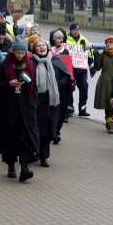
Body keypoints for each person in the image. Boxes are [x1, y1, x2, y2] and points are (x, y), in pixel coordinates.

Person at [0, 35, 40, 181]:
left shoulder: (30, 65)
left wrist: (34, 103)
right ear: (13, 51)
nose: (20, 56)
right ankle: (10, 165)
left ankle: (25, 167)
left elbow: (34, 86)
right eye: (18, 53)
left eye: (23, 53)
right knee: (9, 138)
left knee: (24, 137)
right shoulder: (3, 65)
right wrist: (9, 84)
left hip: (25, 109)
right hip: (8, 108)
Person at [30, 39, 70, 167]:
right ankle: (38, 154)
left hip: (52, 100)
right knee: (37, 128)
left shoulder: (55, 60)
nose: (41, 47)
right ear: (34, 49)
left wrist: (58, 85)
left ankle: (44, 155)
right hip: (36, 100)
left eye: (43, 45)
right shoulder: (31, 62)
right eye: (38, 46)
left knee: (49, 128)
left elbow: (66, 75)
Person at [93, 36, 113, 134]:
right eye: (107, 42)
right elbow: (97, 67)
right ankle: (109, 123)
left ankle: (111, 115)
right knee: (108, 103)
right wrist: (96, 56)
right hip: (105, 81)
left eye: (111, 42)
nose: (108, 44)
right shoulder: (103, 54)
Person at [66, 22, 93, 117]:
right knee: (69, 89)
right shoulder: (65, 39)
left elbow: (89, 54)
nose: (76, 31)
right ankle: (69, 108)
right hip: (69, 69)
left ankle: (82, 109)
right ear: (71, 30)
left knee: (84, 88)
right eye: (74, 30)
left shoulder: (84, 40)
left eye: (78, 30)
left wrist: (91, 67)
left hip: (81, 70)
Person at [49, 29, 72, 131]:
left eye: (62, 38)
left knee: (61, 108)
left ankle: (57, 130)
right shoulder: (49, 51)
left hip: (62, 85)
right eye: (58, 38)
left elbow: (68, 69)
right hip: (50, 84)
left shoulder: (66, 51)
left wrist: (62, 83)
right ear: (54, 40)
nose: (61, 40)